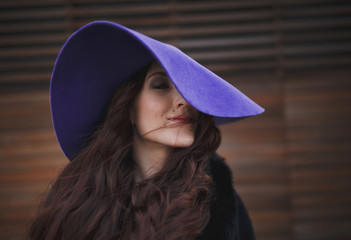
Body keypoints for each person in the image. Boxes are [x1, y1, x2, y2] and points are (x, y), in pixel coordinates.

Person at [29, 21, 264, 240]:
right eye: (160, 85)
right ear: (129, 109)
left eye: (188, 90)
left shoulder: (218, 201)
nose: (184, 101)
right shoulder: (77, 200)